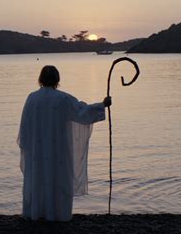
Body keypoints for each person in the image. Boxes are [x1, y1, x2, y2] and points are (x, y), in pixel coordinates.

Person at [17, 65, 111, 221]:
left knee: (38, 176)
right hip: (57, 148)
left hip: (36, 149)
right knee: (57, 176)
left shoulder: (32, 98)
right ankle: (57, 213)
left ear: (40, 79)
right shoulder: (63, 99)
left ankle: (37, 212)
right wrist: (102, 105)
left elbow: (24, 126)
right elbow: (82, 112)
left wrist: (28, 146)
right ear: (57, 80)